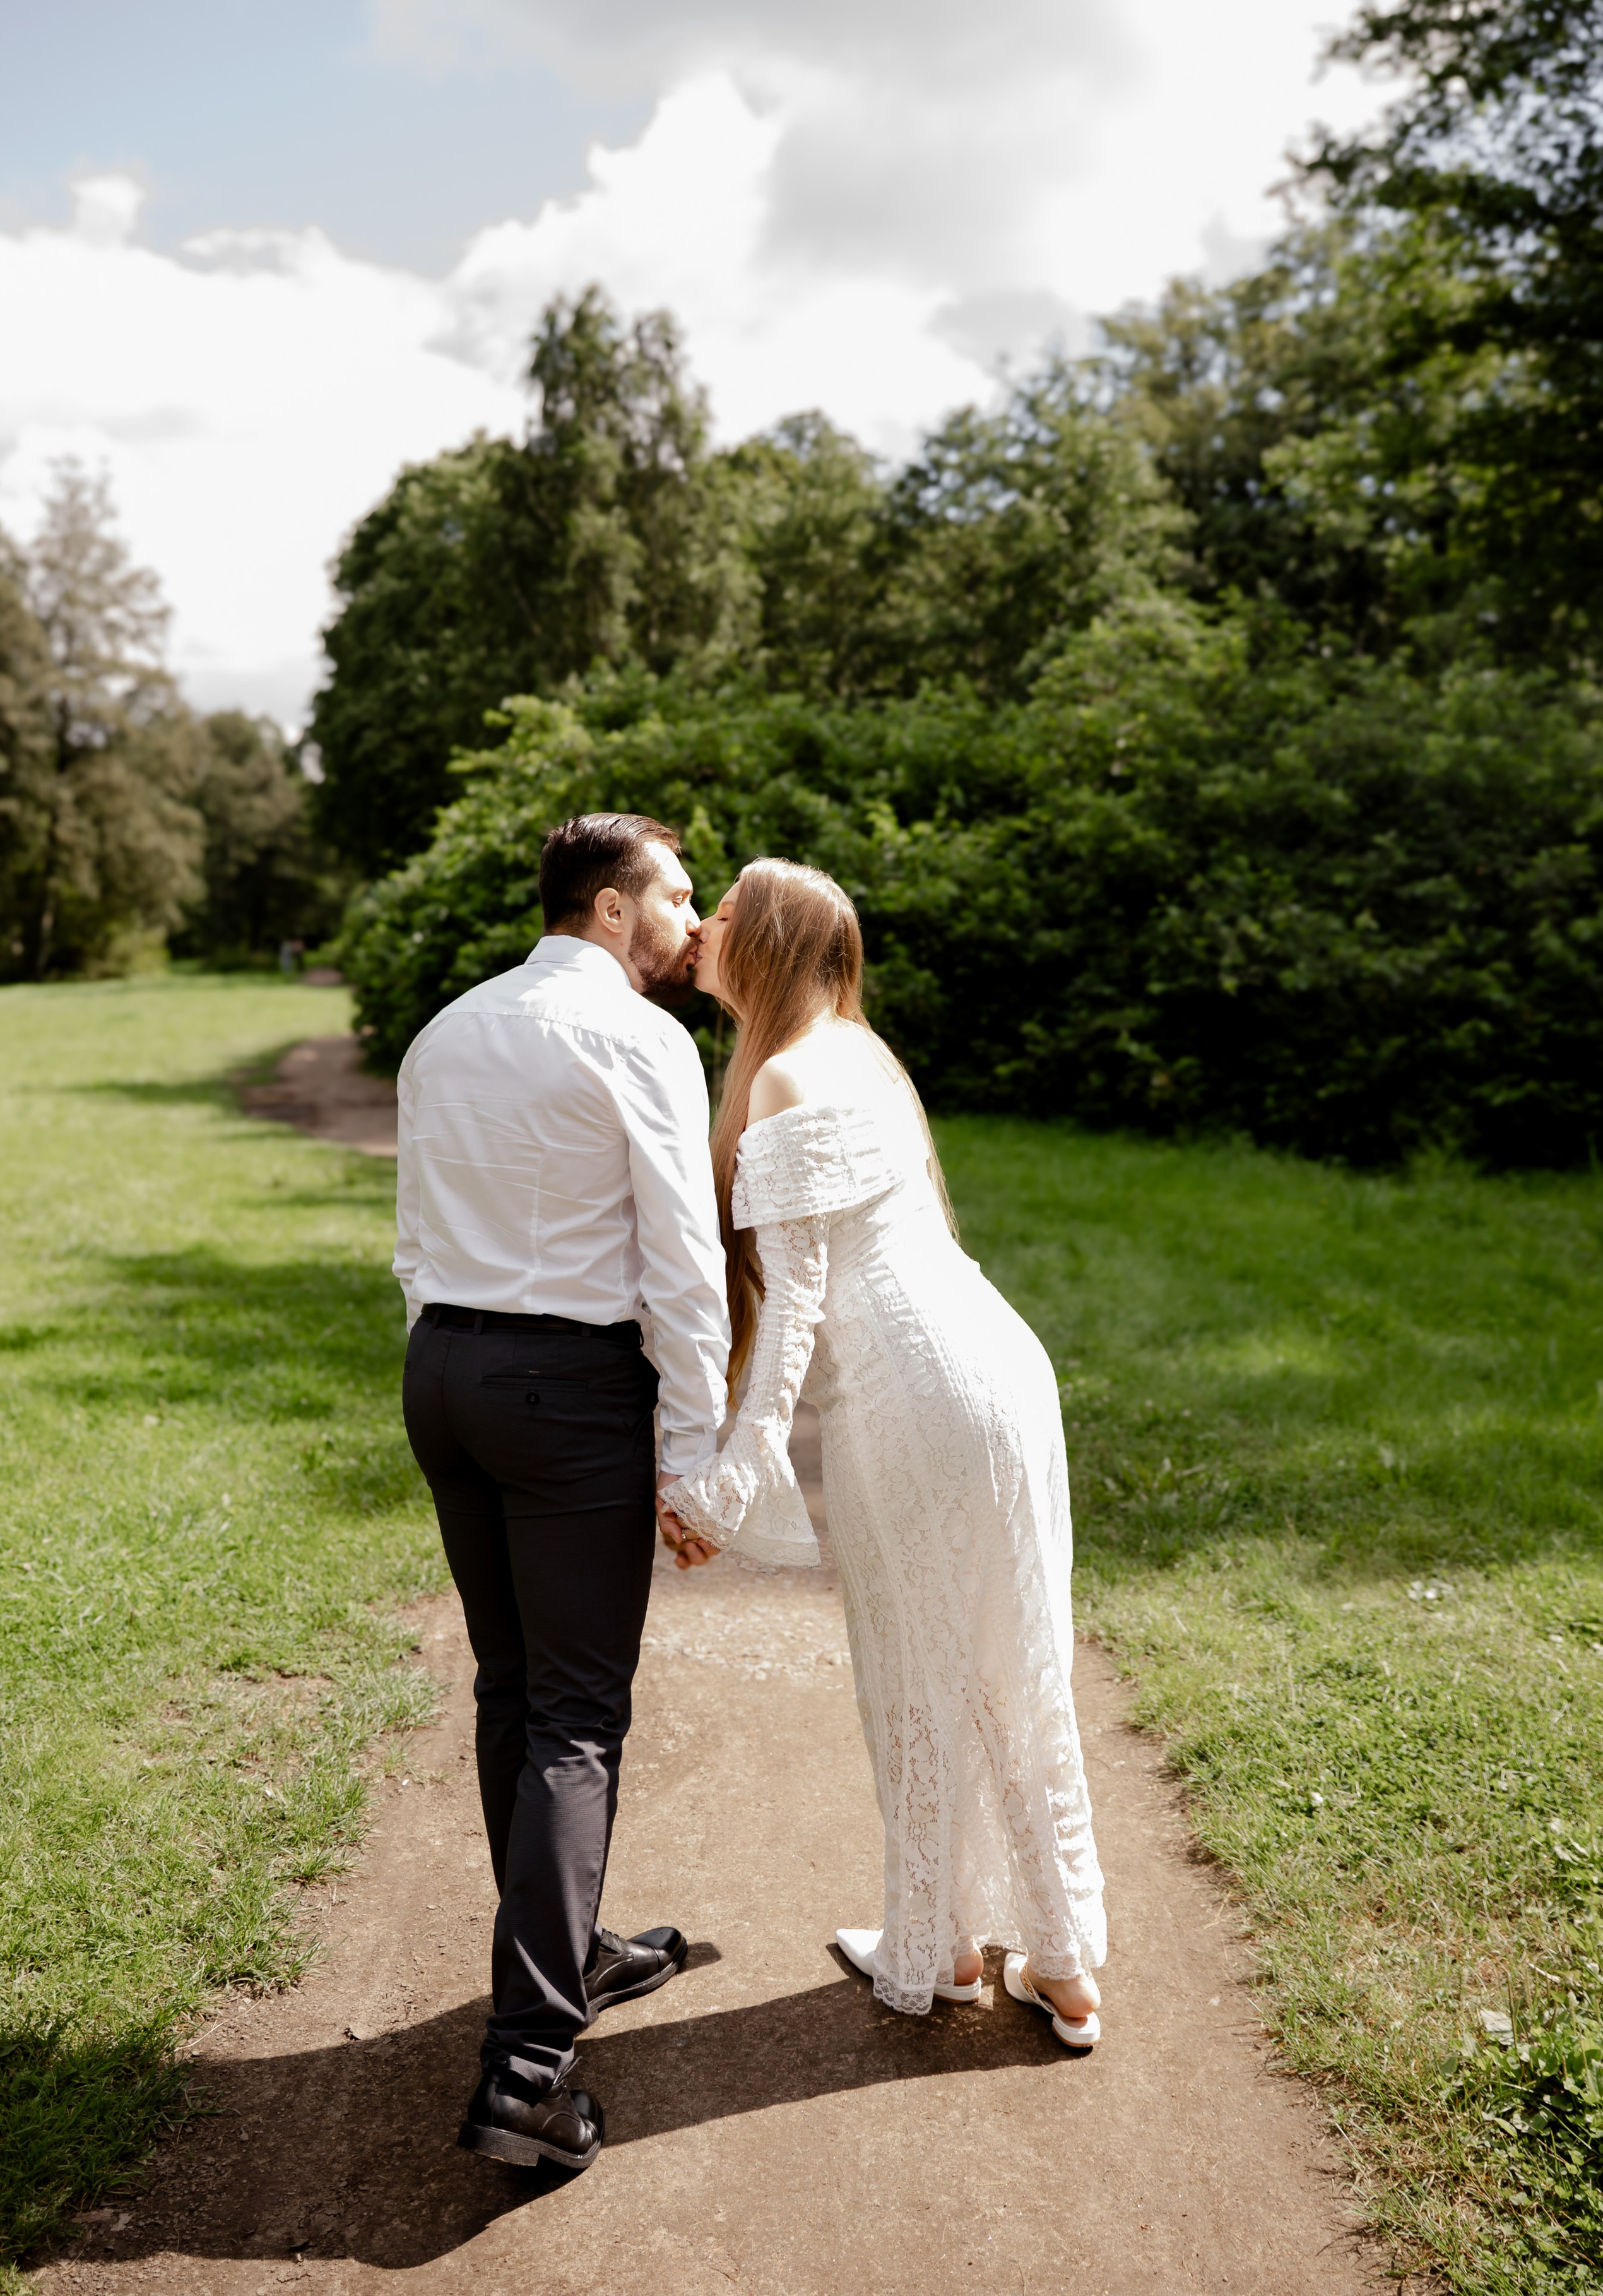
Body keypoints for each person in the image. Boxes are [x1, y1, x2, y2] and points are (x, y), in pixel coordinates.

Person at [659, 859, 1106, 2046]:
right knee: (1018, 1665)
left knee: (916, 1672)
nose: (699, 926)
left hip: (916, 1405)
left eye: (723, 913)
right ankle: (1061, 1965)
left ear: (763, 945)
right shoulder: (865, 1056)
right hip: (1002, 1367)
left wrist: (722, 1484)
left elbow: (796, 1309)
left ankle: (942, 1946)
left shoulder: (787, 1079)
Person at [395, 812, 730, 2172]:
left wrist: (449, 1356)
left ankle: (570, 1950)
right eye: (676, 895)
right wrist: (696, 1448)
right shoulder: (638, 1039)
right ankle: (527, 2072)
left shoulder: (445, 1028)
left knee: (510, 1688)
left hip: (446, 1373)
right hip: (564, 1393)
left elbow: (414, 1236)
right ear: (609, 908)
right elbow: (681, 1259)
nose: (692, 920)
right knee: (574, 1717)